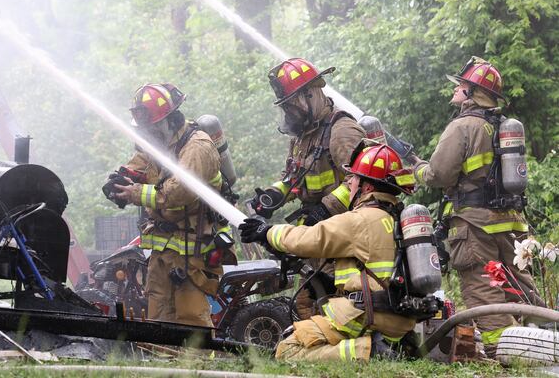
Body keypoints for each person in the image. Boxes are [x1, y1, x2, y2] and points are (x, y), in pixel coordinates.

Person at [411, 56, 543, 356]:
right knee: (517, 283)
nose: (454, 92)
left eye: (460, 87)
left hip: (474, 225)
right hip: (509, 222)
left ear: (471, 92)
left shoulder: (463, 127)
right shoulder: (500, 126)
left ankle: (507, 350)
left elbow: (439, 174)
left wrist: (418, 169)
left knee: (483, 289)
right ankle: (546, 335)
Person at [240, 143, 417, 361]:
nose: (349, 183)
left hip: (367, 317)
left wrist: (266, 231)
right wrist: (329, 283)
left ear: (367, 187)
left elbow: (307, 239)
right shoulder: (399, 220)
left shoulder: (359, 219)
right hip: (400, 319)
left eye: (353, 178)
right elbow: (377, 272)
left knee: (288, 347)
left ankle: (370, 352)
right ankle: (388, 347)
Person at [250, 57, 365, 318]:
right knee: (306, 303)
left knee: (338, 303)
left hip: (341, 236)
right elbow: (293, 176)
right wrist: (273, 195)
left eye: (292, 105)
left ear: (311, 94)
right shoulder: (303, 136)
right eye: (286, 107)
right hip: (314, 236)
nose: (290, 113)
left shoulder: (342, 130)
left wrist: (326, 208)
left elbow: (361, 180)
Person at [102, 83, 224, 326]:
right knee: (157, 310)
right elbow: (139, 163)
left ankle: (196, 363)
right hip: (164, 247)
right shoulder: (160, 143)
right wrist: (119, 181)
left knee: (190, 314)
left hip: (194, 246)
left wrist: (135, 193)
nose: (149, 135)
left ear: (169, 120)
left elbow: (180, 192)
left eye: (152, 129)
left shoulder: (197, 146)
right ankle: (164, 359)